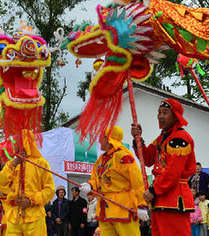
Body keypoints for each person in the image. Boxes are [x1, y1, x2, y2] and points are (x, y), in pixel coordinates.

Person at [131, 98, 197, 236]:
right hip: (160, 198)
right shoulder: (162, 138)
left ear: (175, 116)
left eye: (165, 112)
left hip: (173, 197)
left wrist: (153, 190)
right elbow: (148, 159)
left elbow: (172, 172)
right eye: (159, 112)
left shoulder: (180, 138)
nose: (160, 116)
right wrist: (138, 139)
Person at [79, 126, 149, 236]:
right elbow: (97, 180)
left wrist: (142, 204)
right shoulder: (101, 159)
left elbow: (138, 182)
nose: (99, 140)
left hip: (123, 210)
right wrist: (89, 186)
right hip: (105, 211)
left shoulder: (124, 157)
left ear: (108, 138)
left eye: (102, 137)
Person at [0, 130, 56, 236]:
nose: (13, 144)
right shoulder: (11, 164)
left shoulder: (40, 163)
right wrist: (13, 164)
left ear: (24, 142)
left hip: (34, 217)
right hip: (13, 218)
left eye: (16, 141)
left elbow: (50, 190)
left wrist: (31, 201)